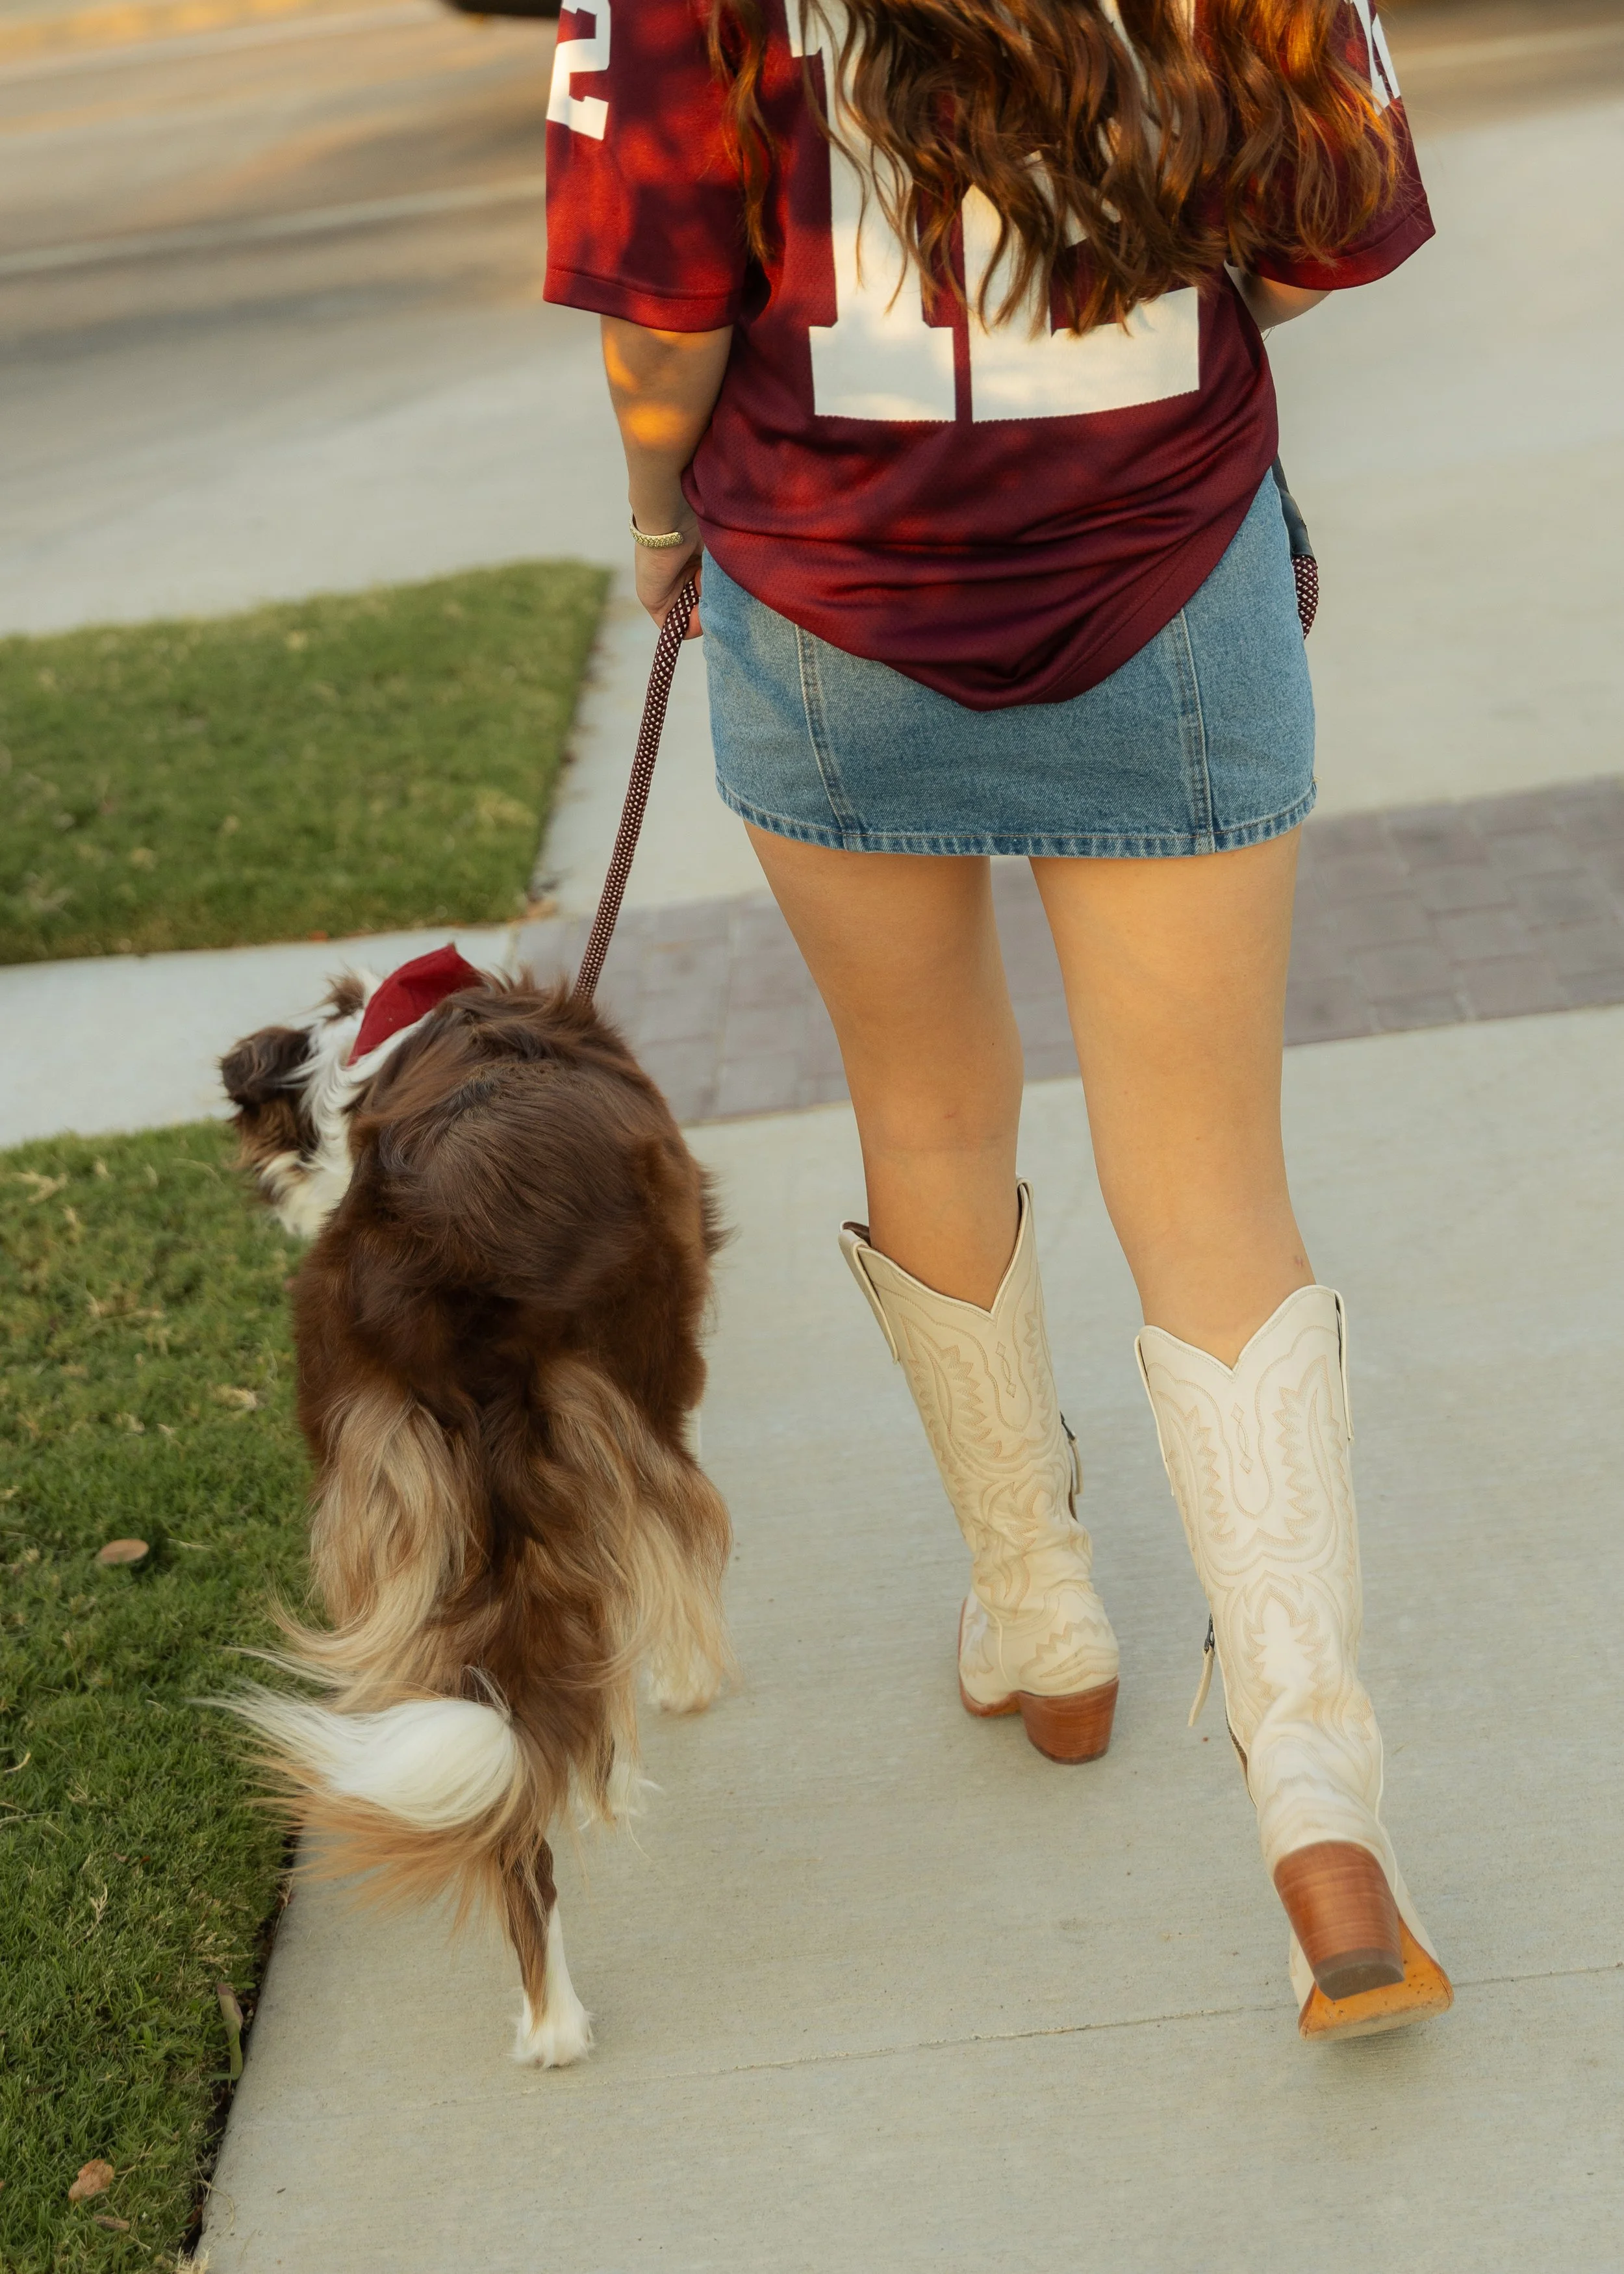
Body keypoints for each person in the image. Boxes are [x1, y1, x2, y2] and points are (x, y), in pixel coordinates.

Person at [545, 0, 1451, 2040]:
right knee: (1212, 1183)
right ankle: (1313, 1783)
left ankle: (1043, 1617)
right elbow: (1322, 228)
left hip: (831, 579)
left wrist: (652, 515)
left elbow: (657, 315)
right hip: (1164, 561)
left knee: (928, 1111)